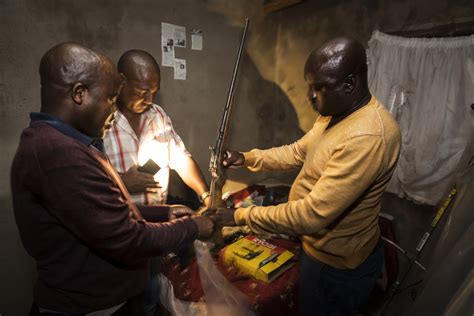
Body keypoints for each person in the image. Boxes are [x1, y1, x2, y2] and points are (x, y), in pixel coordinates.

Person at [10, 42, 214, 315]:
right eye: (109, 99)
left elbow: (97, 213)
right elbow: (127, 237)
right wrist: (193, 228)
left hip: (114, 295)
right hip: (88, 307)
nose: (111, 109)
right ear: (79, 94)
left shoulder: (68, 144)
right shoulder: (59, 154)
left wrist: (161, 211)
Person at [213, 37, 401, 315]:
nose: (310, 96)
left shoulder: (369, 136)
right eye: (309, 86)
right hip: (315, 249)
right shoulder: (333, 114)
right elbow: (297, 152)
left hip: (338, 267)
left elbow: (312, 215)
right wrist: (248, 158)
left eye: (319, 87)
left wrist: (239, 216)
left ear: (349, 84)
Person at [103, 49, 210, 208]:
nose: (149, 100)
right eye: (142, 92)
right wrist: (120, 182)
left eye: (154, 92)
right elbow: (80, 183)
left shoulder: (158, 115)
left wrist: (206, 195)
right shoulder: (101, 120)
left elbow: (181, 160)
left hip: (161, 215)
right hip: (121, 221)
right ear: (121, 81)